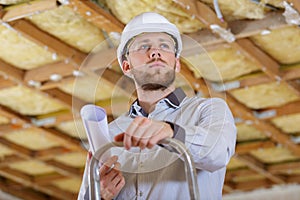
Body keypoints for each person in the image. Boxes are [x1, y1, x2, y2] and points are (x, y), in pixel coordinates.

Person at [78, 12, 236, 200]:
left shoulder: (207, 110)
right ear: (127, 67)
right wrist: (99, 195)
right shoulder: (109, 135)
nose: (155, 52)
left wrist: (172, 132)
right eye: (144, 46)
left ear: (176, 64)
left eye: (164, 45)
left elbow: (218, 152)